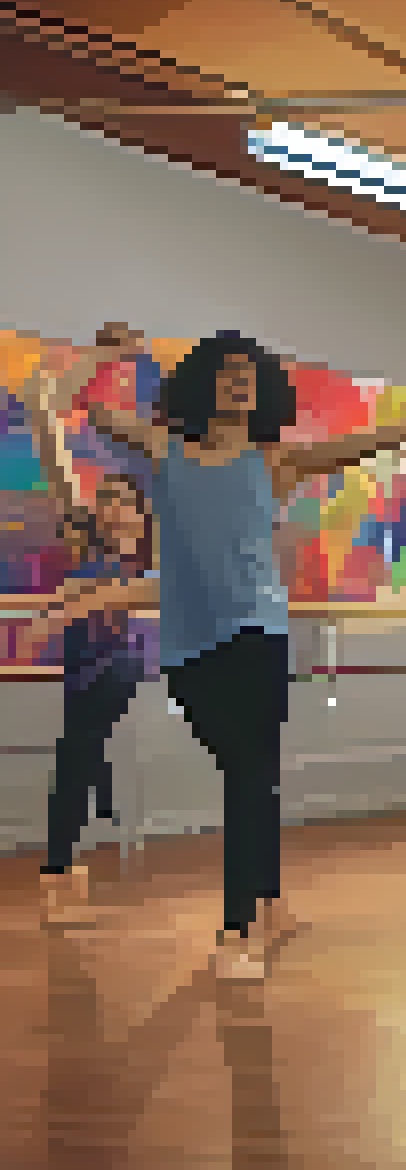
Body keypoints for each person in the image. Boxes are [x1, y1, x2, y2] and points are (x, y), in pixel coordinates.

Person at [27, 330, 406, 981]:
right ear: (203, 385)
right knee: (246, 772)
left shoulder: (271, 462)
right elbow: (81, 407)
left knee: (248, 775)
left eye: (248, 375)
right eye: (226, 373)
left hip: (258, 634)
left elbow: (348, 446)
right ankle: (271, 898)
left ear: (262, 391)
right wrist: (105, 355)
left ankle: (237, 929)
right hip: (188, 645)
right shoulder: (167, 449)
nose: (238, 382)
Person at [28, 327, 157, 928]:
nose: (114, 506)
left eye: (124, 499)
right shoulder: (85, 538)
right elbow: (48, 422)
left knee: (77, 748)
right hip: (80, 664)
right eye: (106, 498)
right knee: (82, 748)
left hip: (125, 663)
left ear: (140, 510)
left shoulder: (150, 556)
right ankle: (73, 847)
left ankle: (61, 863)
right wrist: (103, 359)